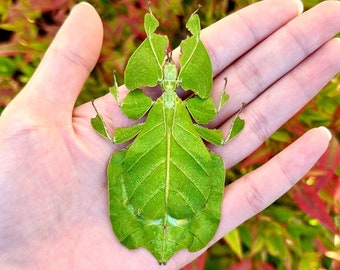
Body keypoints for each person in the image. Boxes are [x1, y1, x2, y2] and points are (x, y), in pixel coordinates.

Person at [0, 0, 339, 269]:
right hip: (170, 192)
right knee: (212, 158)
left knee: (123, 156)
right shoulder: (195, 109)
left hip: (151, 194)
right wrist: (227, 106)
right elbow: (219, 134)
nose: (168, 80)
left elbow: (116, 130)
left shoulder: (139, 108)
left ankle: (161, 230)